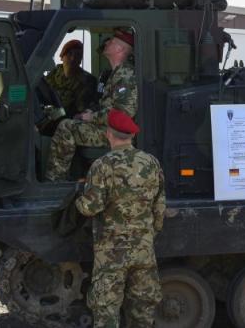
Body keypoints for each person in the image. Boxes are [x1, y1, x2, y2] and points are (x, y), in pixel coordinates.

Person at [75, 109, 165, 328]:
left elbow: (90, 207)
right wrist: (150, 234)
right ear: (131, 136)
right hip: (143, 249)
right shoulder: (151, 163)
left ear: (108, 134)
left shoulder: (102, 165)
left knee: (106, 311)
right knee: (142, 310)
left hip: (111, 253)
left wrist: (77, 199)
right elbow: (160, 207)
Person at [46, 29, 137, 181]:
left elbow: (123, 115)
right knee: (69, 122)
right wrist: (87, 113)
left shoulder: (127, 76)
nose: (107, 43)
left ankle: (55, 182)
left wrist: (91, 117)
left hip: (115, 133)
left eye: (112, 41)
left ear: (120, 49)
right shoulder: (113, 74)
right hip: (106, 127)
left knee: (66, 127)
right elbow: (105, 104)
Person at [46, 40, 98, 118]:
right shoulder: (51, 76)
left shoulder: (89, 80)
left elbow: (87, 108)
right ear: (62, 57)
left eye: (77, 55)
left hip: (71, 121)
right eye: (69, 54)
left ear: (80, 60)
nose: (73, 58)